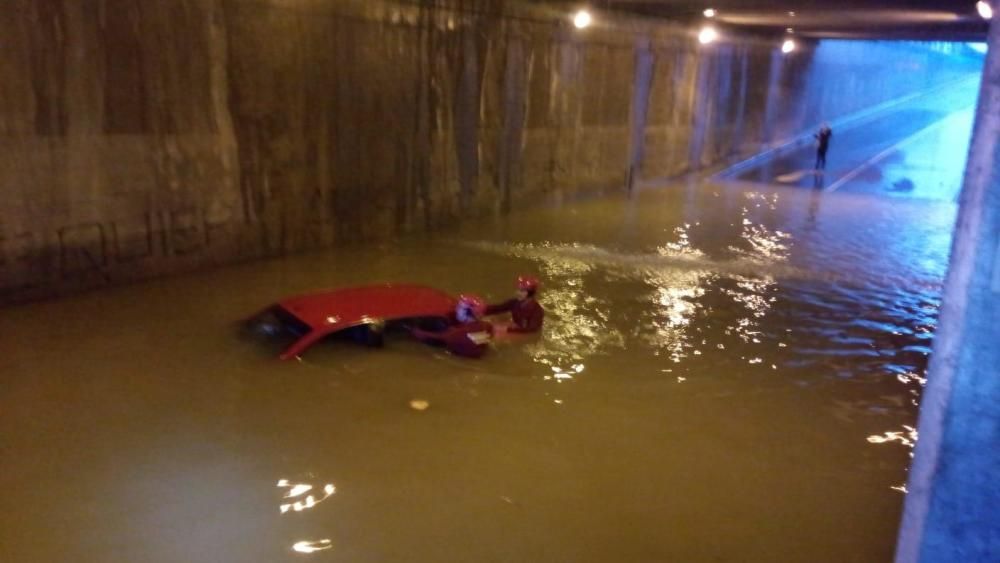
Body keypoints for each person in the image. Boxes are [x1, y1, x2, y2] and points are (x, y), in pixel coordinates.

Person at [410, 294, 494, 358]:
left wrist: (417, 332)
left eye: (459, 307)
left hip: (460, 357)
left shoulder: (457, 335)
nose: (456, 309)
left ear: (466, 312)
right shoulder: (487, 326)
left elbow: (441, 337)